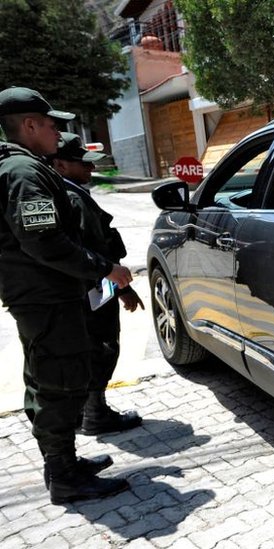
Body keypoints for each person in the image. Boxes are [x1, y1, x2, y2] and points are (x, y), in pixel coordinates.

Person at [0, 87, 133, 503]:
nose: (59, 132)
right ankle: (64, 476)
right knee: (58, 383)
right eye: (53, 124)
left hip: (45, 296)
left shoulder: (23, 166)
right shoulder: (23, 171)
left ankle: (65, 464)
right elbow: (46, 243)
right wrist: (105, 269)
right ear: (29, 124)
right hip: (47, 297)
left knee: (50, 380)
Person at [49, 133, 144, 435]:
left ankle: (85, 412)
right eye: (83, 164)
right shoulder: (73, 197)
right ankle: (96, 414)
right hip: (94, 289)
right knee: (103, 346)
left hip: (84, 290)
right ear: (61, 165)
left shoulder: (64, 192)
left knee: (89, 348)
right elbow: (96, 252)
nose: (91, 170)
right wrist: (122, 290)